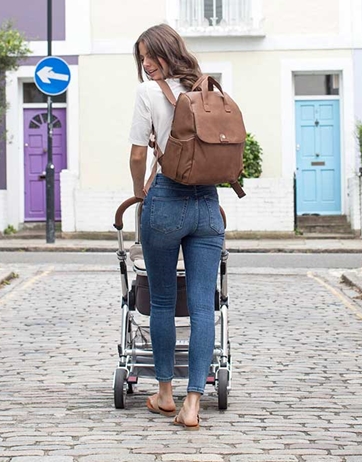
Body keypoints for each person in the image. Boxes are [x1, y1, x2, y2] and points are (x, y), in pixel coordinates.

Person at [128, 23, 225, 429]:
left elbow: (136, 156)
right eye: (142, 58)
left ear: (168, 52)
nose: (147, 64)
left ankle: (166, 395)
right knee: (203, 305)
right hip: (208, 203)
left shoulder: (148, 94)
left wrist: (139, 195)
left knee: (165, 302)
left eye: (152, 56)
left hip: (166, 200)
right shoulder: (208, 88)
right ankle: (194, 404)